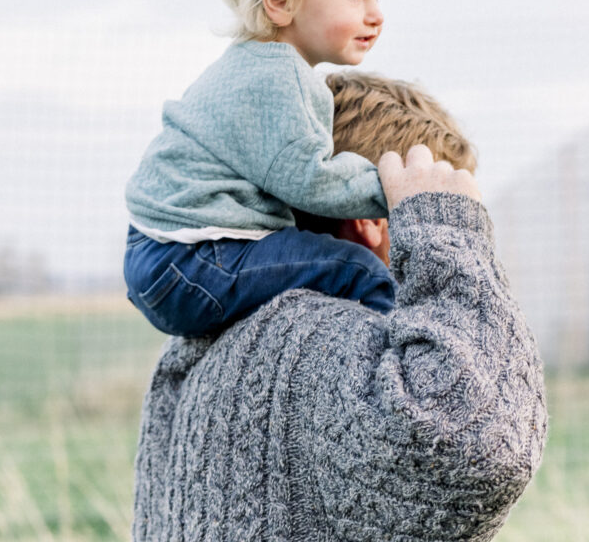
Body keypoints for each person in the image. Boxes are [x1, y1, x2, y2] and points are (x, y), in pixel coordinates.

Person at [132, 73, 547, 542]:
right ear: (372, 220)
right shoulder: (315, 341)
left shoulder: (214, 342)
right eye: (419, 206)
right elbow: (484, 448)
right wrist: (449, 232)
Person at [125, 0, 397, 338]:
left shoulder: (250, 65)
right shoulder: (277, 75)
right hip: (191, 256)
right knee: (360, 270)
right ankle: (392, 366)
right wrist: (401, 190)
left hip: (159, 255)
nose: (376, 14)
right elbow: (313, 179)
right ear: (280, 0)